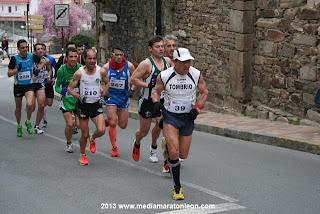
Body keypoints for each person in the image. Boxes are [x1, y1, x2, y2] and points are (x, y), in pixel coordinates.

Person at [152, 47, 208, 200]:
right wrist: (156, 103)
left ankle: (167, 148)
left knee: (182, 155)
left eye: (189, 61)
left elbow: (204, 92)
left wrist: (197, 108)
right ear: (175, 61)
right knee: (175, 153)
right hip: (170, 116)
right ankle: (177, 187)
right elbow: (156, 91)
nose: (186, 65)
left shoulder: (196, 74)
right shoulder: (164, 75)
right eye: (183, 62)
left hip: (187, 118)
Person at [130, 35, 172, 162]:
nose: (161, 49)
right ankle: (137, 143)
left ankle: (154, 149)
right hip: (147, 101)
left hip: (162, 101)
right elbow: (133, 79)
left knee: (161, 126)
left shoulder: (167, 61)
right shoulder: (146, 64)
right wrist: (148, 85)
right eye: (157, 47)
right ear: (150, 49)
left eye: (161, 46)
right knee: (144, 131)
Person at [67, 49, 110, 165]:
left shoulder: (101, 71)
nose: (92, 61)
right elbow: (69, 89)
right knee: (84, 134)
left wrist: (102, 95)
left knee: (101, 130)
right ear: (84, 59)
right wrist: (79, 96)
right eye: (89, 58)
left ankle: (93, 138)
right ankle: (83, 155)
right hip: (83, 106)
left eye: (94, 58)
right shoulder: (79, 73)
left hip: (95, 104)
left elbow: (107, 83)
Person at [7, 39, 45, 137]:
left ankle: (28, 121)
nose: (25, 49)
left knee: (30, 104)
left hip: (29, 85)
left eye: (26, 47)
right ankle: (19, 125)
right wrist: (17, 70)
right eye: (23, 47)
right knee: (18, 108)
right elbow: (9, 74)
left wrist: (37, 70)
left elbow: (42, 62)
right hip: (18, 86)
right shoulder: (14, 58)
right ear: (18, 49)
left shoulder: (31, 56)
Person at [102, 47, 135, 157]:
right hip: (111, 97)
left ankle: (108, 119)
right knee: (113, 123)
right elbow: (97, 81)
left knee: (123, 125)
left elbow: (135, 78)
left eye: (121, 55)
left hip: (124, 97)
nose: (119, 57)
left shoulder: (129, 66)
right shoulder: (106, 67)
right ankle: (114, 147)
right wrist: (103, 91)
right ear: (112, 55)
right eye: (117, 55)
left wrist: (132, 89)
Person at [55, 47, 83, 153]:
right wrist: (61, 91)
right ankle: (69, 143)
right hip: (66, 99)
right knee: (69, 124)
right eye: (71, 57)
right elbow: (57, 86)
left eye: (75, 57)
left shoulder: (80, 68)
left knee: (79, 125)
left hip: (77, 99)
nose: (73, 59)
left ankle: (73, 121)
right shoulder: (62, 70)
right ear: (66, 58)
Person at [162, 34, 178, 172]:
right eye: (169, 46)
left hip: (177, 102)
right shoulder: (163, 62)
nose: (172, 48)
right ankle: (167, 160)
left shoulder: (181, 61)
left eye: (174, 46)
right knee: (162, 129)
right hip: (163, 100)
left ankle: (169, 156)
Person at [32, 43, 52, 134]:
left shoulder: (46, 60)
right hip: (31, 85)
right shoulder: (30, 60)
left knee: (41, 105)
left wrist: (49, 76)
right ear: (34, 51)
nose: (40, 50)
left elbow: (49, 70)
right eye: (38, 49)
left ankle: (36, 126)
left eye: (42, 49)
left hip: (40, 84)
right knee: (31, 107)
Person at [41, 43, 57, 128]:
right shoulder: (35, 59)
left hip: (49, 83)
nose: (42, 51)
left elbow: (56, 68)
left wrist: (54, 77)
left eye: (43, 49)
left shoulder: (50, 59)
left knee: (49, 103)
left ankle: (43, 108)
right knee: (42, 103)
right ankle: (44, 119)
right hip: (40, 85)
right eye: (40, 49)